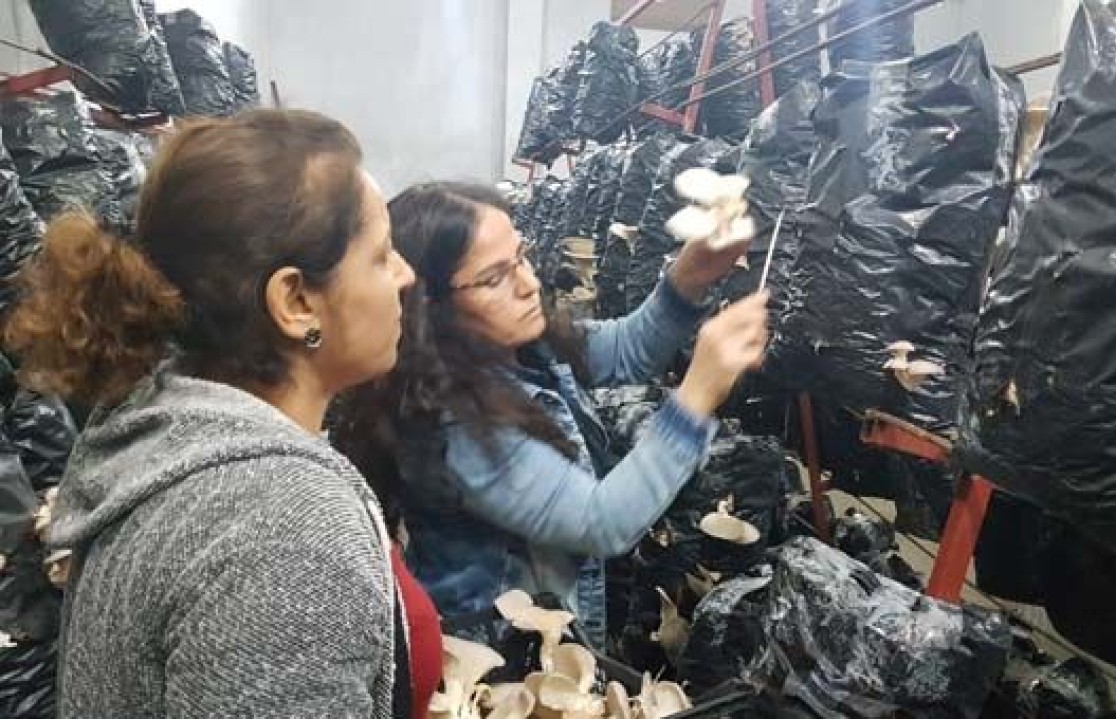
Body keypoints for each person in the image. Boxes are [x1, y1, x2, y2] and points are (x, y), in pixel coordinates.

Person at [2, 109, 433, 718]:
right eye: (382, 255)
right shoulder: (284, 527)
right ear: (296, 301)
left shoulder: (165, 431)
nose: (405, 275)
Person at [332, 182, 768, 646]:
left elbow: (627, 349)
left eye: (521, 257)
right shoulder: (454, 423)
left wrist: (690, 277)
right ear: (429, 308)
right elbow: (601, 522)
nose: (530, 284)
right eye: (494, 279)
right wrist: (697, 395)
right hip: (509, 655)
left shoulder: (518, 348)